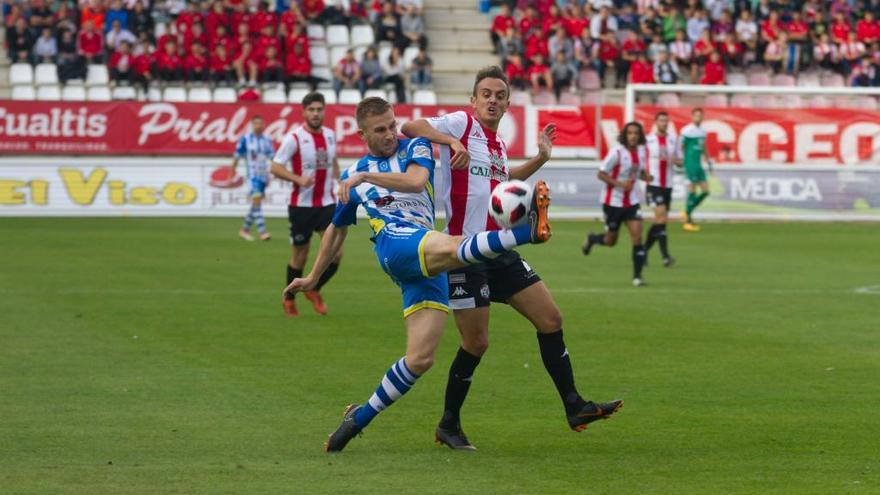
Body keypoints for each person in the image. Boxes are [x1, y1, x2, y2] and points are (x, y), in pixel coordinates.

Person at [283, 97, 553, 453]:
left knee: (420, 359)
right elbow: (337, 229)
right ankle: (525, 233)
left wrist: (366, 174)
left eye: (392, 125)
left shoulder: (415, 148)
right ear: (362, 133)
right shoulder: (353, 176)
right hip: (396, 244)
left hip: (426, 255)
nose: (390, 134)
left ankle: (358, 418)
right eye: (380, 130)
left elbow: (415, 182)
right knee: (457, 246)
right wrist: (314, 276)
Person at [401, 67, 623, 450]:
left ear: (507, 103)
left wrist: (540, 158)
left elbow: (504, 183)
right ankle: (448, 424)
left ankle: (574, 405)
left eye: (499, 95)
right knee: (477, 342)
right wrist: (450, 142)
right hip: (464, 253)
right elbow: (410, 126)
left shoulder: (499, 144)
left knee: (551, 318)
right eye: (485, 93)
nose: (492, 100)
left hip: (499, 249)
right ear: (474, 100)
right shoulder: (459, 124)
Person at [270, 93, 341, 317]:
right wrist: (298, 179)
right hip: (301, 206)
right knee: (300, 256)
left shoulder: (330, 135)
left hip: (327, 203)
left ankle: (314, 288)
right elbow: (275, 167)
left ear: (324, 111)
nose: (316, 113)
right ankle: (289, 299)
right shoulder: (294, 138)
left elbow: (333, 161)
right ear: (303, 112)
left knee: (335, 253)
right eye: (311, 110)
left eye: (319, 109)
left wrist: (339, 183)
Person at [581, 121, 652, 286]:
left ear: (640, 136)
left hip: (631, 202)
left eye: (636, 133)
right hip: (612, 202)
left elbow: (637, 172)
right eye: (630, 133)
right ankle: (593, 239)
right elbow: (601, 174)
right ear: (625, 135)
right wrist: (620, 184)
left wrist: (645, 177)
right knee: (611, 241)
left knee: (637, 236)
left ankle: (637, 276)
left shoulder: (641, 152)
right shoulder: (617, 152)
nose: (633, 136)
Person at [643, 112, 682, 267]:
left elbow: (680, 161)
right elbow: (640, 159)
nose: (664, 123)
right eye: (661, 120)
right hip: (654, 185)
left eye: (666, 120)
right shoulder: (648, 140)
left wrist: (675, 160)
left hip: (668, 185)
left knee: (661, 223)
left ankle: (643, 251)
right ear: (656, 122)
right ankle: (665, 257)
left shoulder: (674, 140)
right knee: (661, 219)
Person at [231, 115, 275, 242]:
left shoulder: (267, 140)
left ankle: (244, 230)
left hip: (263, 177)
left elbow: (273, 156)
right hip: (252, 176)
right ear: (252, 125)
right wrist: (232, 171)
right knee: (256, 201)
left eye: (261, 123)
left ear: (264, 125)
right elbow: (237, 155)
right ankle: (263, 231)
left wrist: (277, 170)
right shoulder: (245, 139)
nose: (258, 126)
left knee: (256, 204)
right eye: (256, 123)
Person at [679, 108, 713, 232]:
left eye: (700, 115)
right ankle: (688, 222)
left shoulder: (703, 131)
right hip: (690, 164)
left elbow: (704, 147)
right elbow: (680, 146)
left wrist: (708, 161)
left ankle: (687, 211)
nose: (698, 117)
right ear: (692, 117)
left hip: (699, 165)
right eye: (696, 115)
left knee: (706, 191)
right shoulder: (687, 131)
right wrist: (682, 161)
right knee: (692, 191)